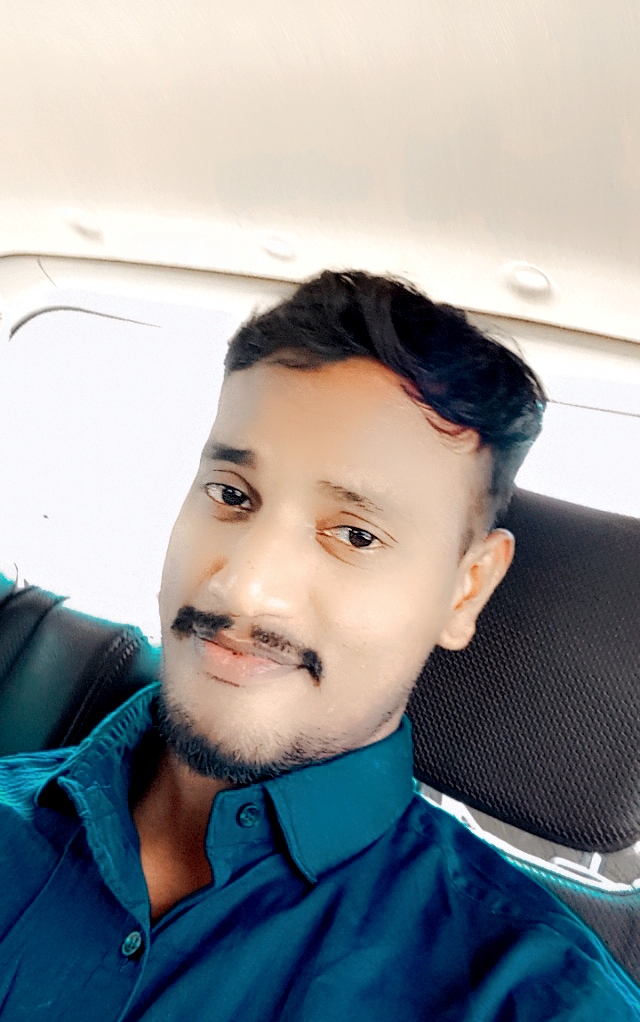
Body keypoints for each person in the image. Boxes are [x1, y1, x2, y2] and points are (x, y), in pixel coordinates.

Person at [0, 268, 638, 1021]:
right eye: (231, 495)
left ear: (465, 590)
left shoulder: (538, 1000)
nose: (244, 588)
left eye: (356, 535)